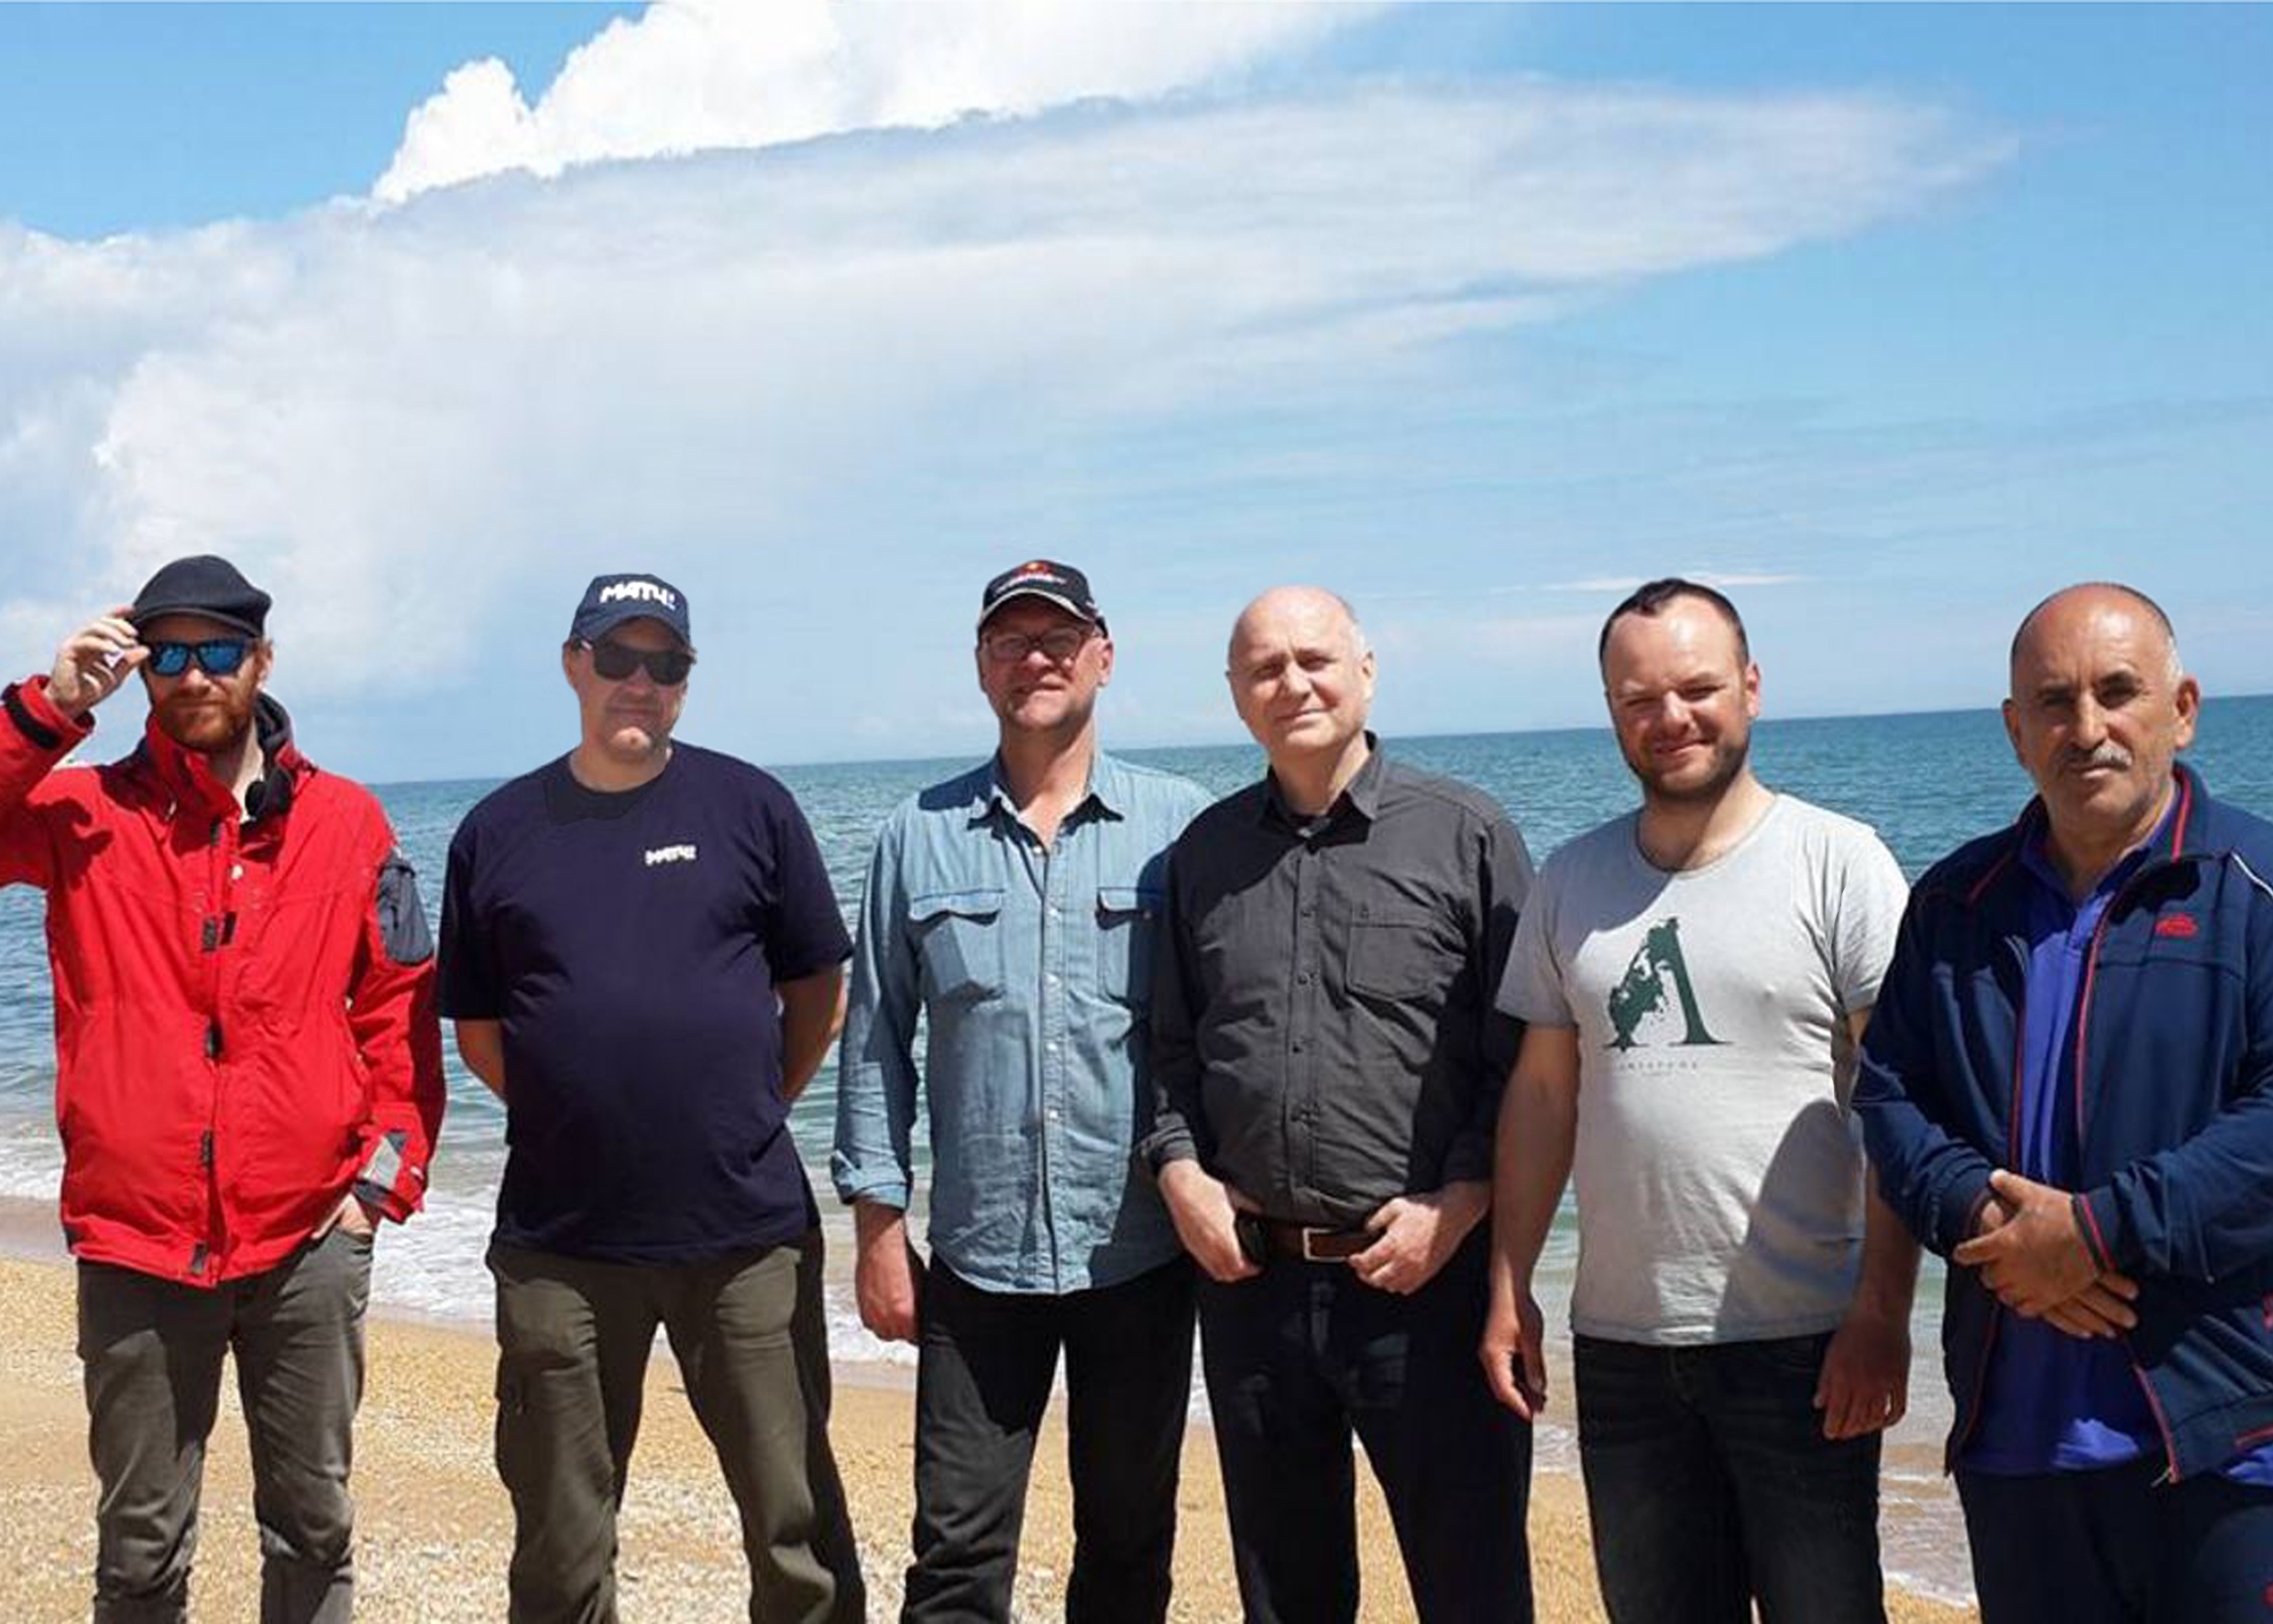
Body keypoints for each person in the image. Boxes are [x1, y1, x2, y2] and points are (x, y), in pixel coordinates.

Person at [0, 554, 445, 1623]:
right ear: (139, 673)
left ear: (262, 660)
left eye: (218, 650)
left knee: (313, 1525)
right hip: (136, 1242)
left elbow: (400, 1014)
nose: (194, 674)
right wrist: (48, 708)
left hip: (309, 1239)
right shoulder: (81, 813)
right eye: (168, 656)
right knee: (141, 1544)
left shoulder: (347, 821)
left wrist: (378, 1186)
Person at [1479, 577, 1917, 1624]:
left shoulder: (1839, 862)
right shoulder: (1570, 879)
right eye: (1639, 698)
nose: (1669, 716)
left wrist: (1882, 1313)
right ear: (1611, 711)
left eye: (1696, 688)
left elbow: (1902, 1106)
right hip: (1623, 1348)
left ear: (1750, 687)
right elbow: (1541, 1096)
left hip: (1805, 1342)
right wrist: (1508, 1284)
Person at [435, 573, 863, 1624]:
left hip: (745, 1236)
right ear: (573, 663)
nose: (639, 680)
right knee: (559, 1542)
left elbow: (818, 990)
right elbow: (479, 1028)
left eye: (664, 662)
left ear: (685, 679)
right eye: (617, 657)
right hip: (561, 1245)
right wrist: (572, 1108)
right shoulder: (496, 829)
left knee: (795, 1529)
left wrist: (747, 1103)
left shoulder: (751, 805)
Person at [1856, 582, 2273, 1623]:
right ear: (2013, 729)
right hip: (2017, 1440)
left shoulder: (2253, 886)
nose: (2085, 727)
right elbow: (1890, 1094)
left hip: (2227, 1439)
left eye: (2116, 691)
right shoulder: (1953, 900)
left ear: (2182, 708)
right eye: (2052, 700)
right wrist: (1984, 1217)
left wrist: (2096, 1231)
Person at [1140, 585, 1535, 1624]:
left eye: (1313, 659)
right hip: (1253, 1288)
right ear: (1237, 695)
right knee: (1287, 1597)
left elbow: (1529, 1059)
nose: (1293, 684)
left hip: (1429, 1285)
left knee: (1474, 1589)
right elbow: (1170, 1051)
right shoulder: (1203, 856)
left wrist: (1460, 1201)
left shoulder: (1467, 834)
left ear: (1365, 669)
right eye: (1264, 668)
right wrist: (1179, 1173)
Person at [834, 559, 1211, 1622]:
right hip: (977, 1260)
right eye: (1011, 640)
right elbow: (874, 1040)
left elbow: (1218, 1034)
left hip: (1139, 1252)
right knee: (955, 1552)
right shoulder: (916, 833)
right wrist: (877, 1228)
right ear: (980, 664)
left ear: (1103, 655)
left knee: (1128, 1544)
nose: (1034, 658)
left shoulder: (1181, 827)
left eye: (1057, 638)